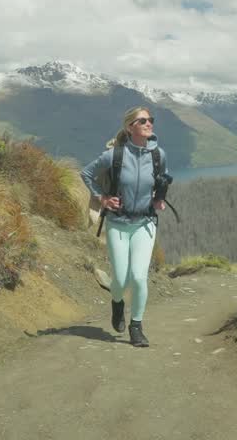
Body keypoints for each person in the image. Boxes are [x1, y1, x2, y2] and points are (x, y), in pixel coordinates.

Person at [80, 106, 167, 347]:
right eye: (142, 121)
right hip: (118, 223)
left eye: (150, 119)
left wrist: (159, 198)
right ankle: (117, 304)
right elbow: (86, 173)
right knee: (119, 280)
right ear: (130, 127)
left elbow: (163, 179)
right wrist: (102, 198)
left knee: (139, 278)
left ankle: (136, 326)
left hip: (145, 223)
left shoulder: (158, 155)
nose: (149, 123)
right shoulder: (114, 156)